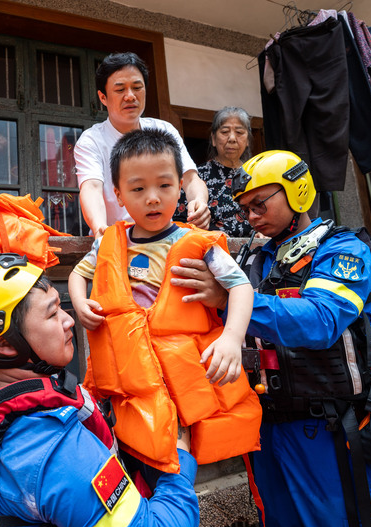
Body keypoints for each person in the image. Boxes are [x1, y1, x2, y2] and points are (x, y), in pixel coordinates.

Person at [171, 150, 371, 527]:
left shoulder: (340, 248)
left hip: (327, 426)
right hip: (265, 425)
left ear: (298, 191)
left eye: (261, 203)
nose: (253, 215)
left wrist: (231, 298)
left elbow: (322, 319)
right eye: (245, 208)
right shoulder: (252, 258)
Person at [0, 253, 201, 527]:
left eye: (62, 307)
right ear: (4, 344)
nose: (69, 321)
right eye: (52, 314)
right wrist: (179, 463)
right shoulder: (56, 452)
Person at [68, 128, 260, 479]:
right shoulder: (110, 242)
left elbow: (241, 287)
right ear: (119, 195)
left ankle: (178, 503)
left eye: (165, 186)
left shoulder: (197, 243)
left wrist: (232, 338)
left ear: (181, 189)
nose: (153, 198)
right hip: (130, 373)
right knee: (131, 445)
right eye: (138, 189)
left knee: (176, 450)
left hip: (181, 373)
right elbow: (79, 275)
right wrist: (80, 304)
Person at [74, 52, 210, 237]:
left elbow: (191, 178)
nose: (130, 96)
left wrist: (199, 202)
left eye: (137, 87)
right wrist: (100, 228)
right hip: (114, 240)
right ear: (103, 97)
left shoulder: (164, 130)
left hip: (162, 237)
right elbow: (91, 188)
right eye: (120, 89)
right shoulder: (91, 140)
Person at [174, 106, 254, 237]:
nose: (232, 138)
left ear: (247, 141)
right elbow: (181, 222)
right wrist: (208, 234)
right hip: (211, 249)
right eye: (225, 132)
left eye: (239, 132)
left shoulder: (256, 174)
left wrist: (261, 232)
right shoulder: (196, 177)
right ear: (213, 139)